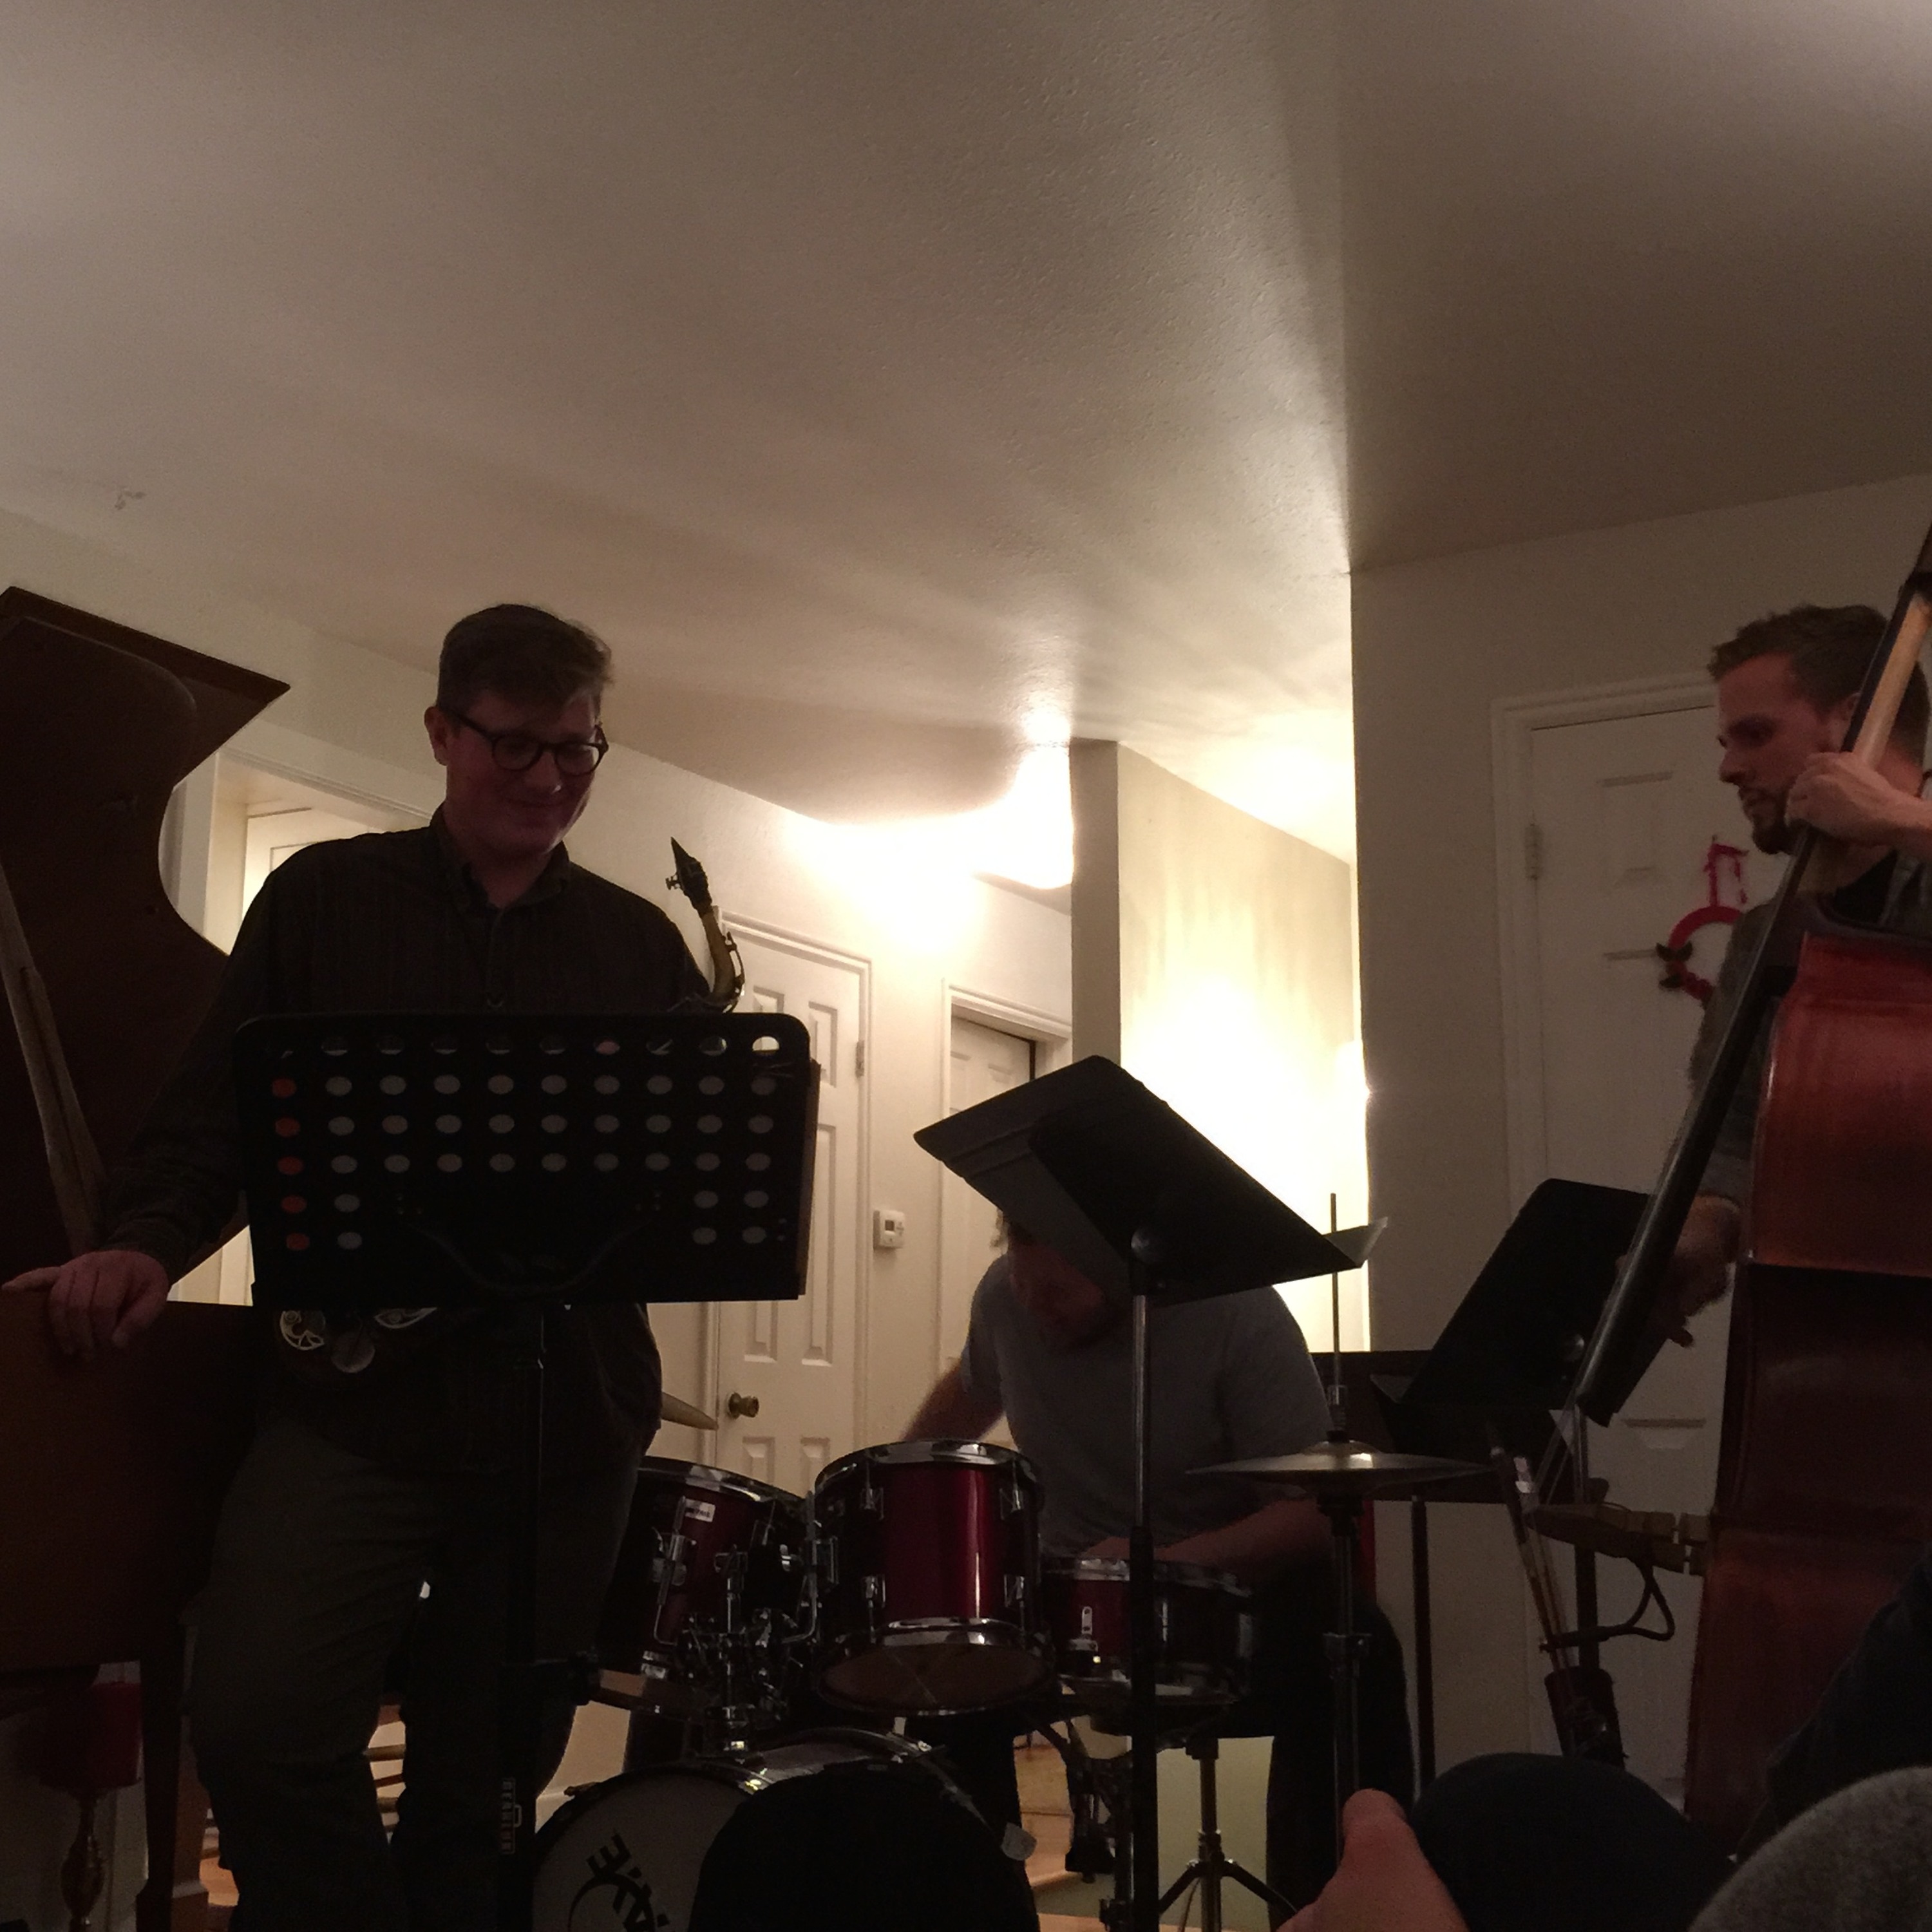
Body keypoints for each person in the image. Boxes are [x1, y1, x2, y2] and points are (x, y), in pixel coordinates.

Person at [5, 605, 706, 1931]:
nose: (550, 778)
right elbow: (218, 1117)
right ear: (442, 732)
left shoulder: (638, 948)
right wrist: (143, 1243)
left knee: (488, 1776)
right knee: (257, 1719)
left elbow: (680, 1189)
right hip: (356, 1400)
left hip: (565, 1417)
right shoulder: (326, 900)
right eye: (514, 746)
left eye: (576, 750)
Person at [904, 1218, 1414, 1905]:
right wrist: (898, 1473)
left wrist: (1160, 1566)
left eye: (1057, 1293)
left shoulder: (1237, 1311)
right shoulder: (1005, 1298)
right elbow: (971, 1390)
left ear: (1121, 1272)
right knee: (940, 1674)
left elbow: (1313, 1517)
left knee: (1357, 1650)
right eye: (1025, 1286)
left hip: (1226, 1594)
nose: (1036, 1308)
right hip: (1072, 1591)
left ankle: (1332, 1908)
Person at [1664, 601, 1932, 1333]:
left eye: (1755, 735)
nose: (1728, 768)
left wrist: (1902, 819)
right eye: (1726, 742)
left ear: (1850, 721)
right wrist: (1702, 1228)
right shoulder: (1765, 935)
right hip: (1827, 1334)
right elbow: (1731, 1137)